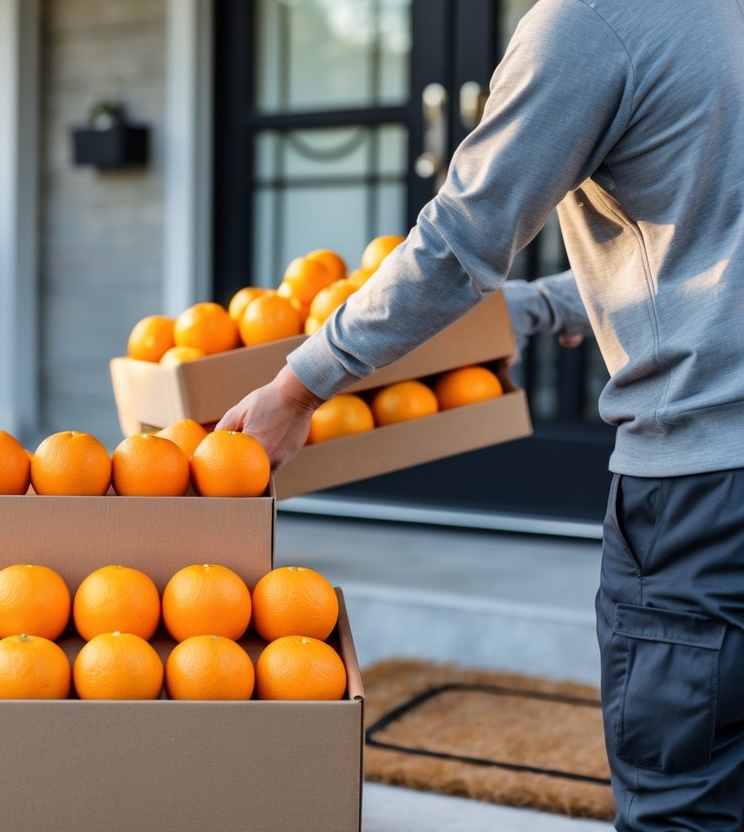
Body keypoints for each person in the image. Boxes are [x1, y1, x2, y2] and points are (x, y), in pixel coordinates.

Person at [217, 1, 744, 829]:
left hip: (705, 491)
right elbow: (708, 248)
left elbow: (459, 240)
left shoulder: (589, 22)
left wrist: (300, 386)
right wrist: (541, 307)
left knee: (686, 802)